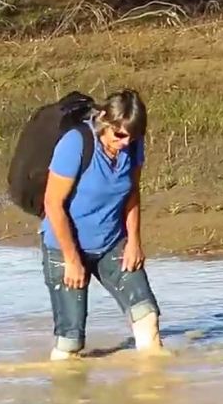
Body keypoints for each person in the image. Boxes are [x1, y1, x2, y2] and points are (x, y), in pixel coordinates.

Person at [40, 88, 164, 361]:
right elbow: (52, 204)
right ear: (105, 120)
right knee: (70, 343)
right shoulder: (76, 143)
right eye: (119, 135)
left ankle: (149, 395)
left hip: (111, 243)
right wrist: (72, 260)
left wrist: (134, 241)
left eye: (133, 137)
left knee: (148, 318)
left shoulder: (132, 144)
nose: (125, 142)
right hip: (65, 248)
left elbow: (132, 192)